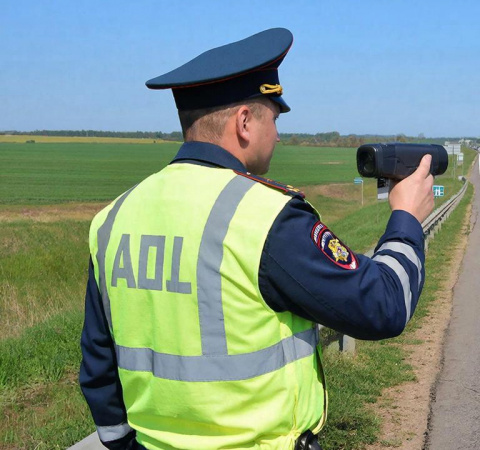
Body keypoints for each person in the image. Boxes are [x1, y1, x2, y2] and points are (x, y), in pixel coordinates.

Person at [79, 28, 434, 450]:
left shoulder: (113, 218)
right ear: (245, 122)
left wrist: (123, 445)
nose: (279, 135)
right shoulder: (265, 217)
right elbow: (384, 305)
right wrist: (406, 218)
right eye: (274, 118)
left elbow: (98, 366)